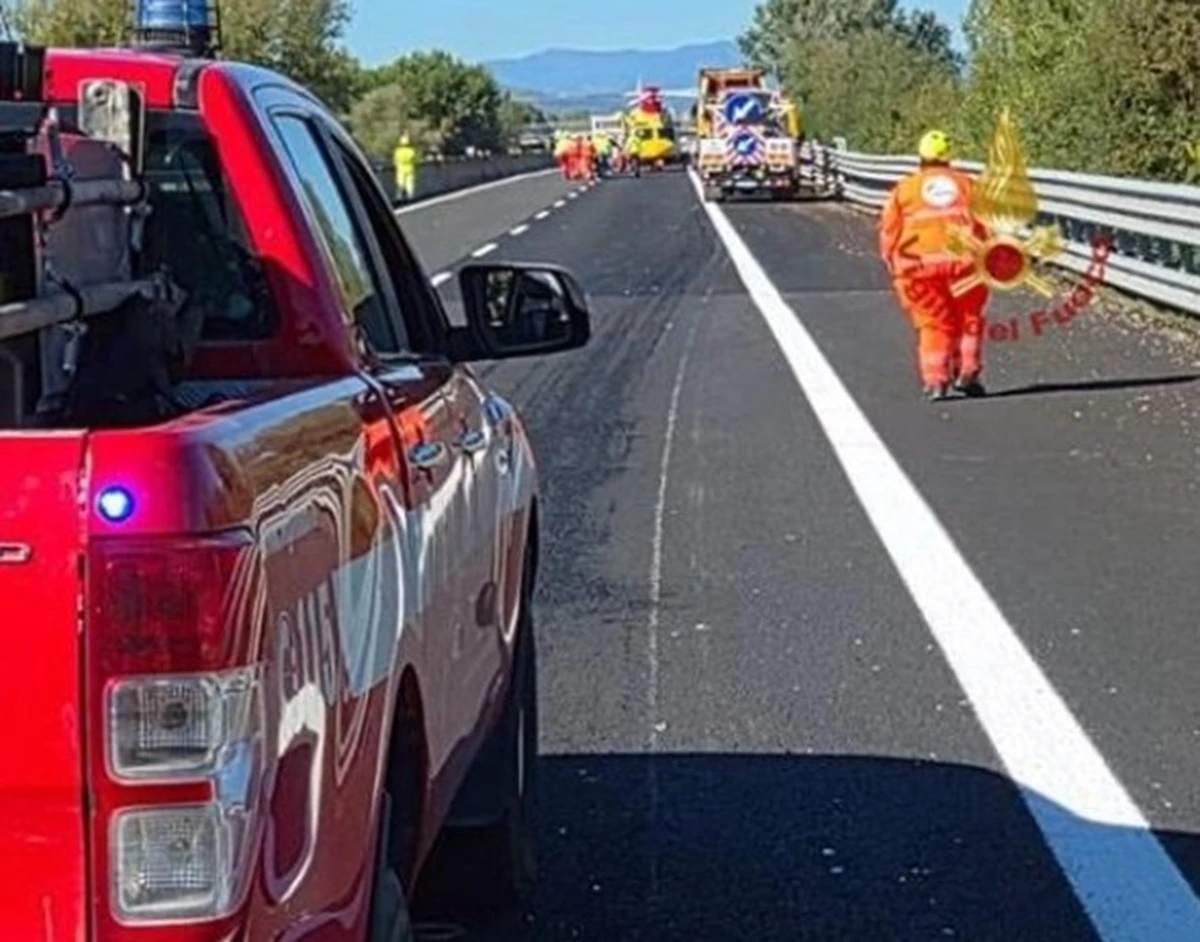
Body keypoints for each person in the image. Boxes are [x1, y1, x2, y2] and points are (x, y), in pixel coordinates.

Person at [879, 129, 991, 401]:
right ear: (949, 158)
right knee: (969, 320)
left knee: (933, 323)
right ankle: (968, 373)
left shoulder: (904, 189)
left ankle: (936, 380)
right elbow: (987, 226)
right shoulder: (968, 185)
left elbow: (889, 231)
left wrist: (891, 261)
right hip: (965, 265)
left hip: (919, 269)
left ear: (920, 157)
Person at [393, 134, 418, 203]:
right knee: (409, 183)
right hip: (410, 169)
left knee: (400, 183)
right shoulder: (411, 151)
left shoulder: (397, 151)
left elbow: (395, 160)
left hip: (400, 169)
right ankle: (410, 196)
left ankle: (399, 197)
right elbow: (415, 160)